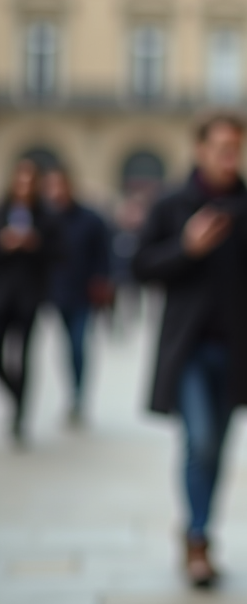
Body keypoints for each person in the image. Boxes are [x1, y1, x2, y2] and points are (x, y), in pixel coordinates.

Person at [133, 114, 247, 587]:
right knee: (199, 440)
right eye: (222, 147)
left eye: (236, 148)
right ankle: (198, 538)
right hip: (186, 351)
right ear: (199, 149)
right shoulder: (171, 205)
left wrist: (241, 227)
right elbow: (141, 266)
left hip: (235, 350)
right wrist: (187, 247)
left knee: (216, 450)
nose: (230, 157)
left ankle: (199, 531)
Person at [43, 166, 112, 425]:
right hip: (59, 293)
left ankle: (79, 396)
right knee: (66, 346)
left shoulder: (90, 219)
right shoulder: (48, 219)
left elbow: (103, 255)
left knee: (78, 344)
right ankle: (72, 392)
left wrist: (103, 281)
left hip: (84, 293)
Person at [0, 158, 60, 445]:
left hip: (29, 295)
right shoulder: (3, 210)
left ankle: (21, 416)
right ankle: (14, 392)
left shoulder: (47, 216)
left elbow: (60, 254)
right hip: (2, 292)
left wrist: (36, 244)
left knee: (23, 356)